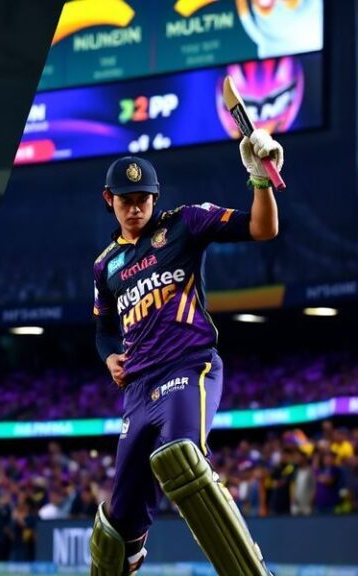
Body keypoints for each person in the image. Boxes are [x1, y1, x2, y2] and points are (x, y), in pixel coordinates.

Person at [89, 130, 282, 575]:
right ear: (108, 199)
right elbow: (104, 329)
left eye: (143, 199)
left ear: (155, 198)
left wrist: (260, 180)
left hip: (187, 367)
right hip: (137, 390)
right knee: (117, 527)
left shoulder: (185, 223)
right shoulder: (105, 265)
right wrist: (109, 357)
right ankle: (130, 557)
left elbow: (262, 228)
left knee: (181, 458)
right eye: (125, 200)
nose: (135, 208)